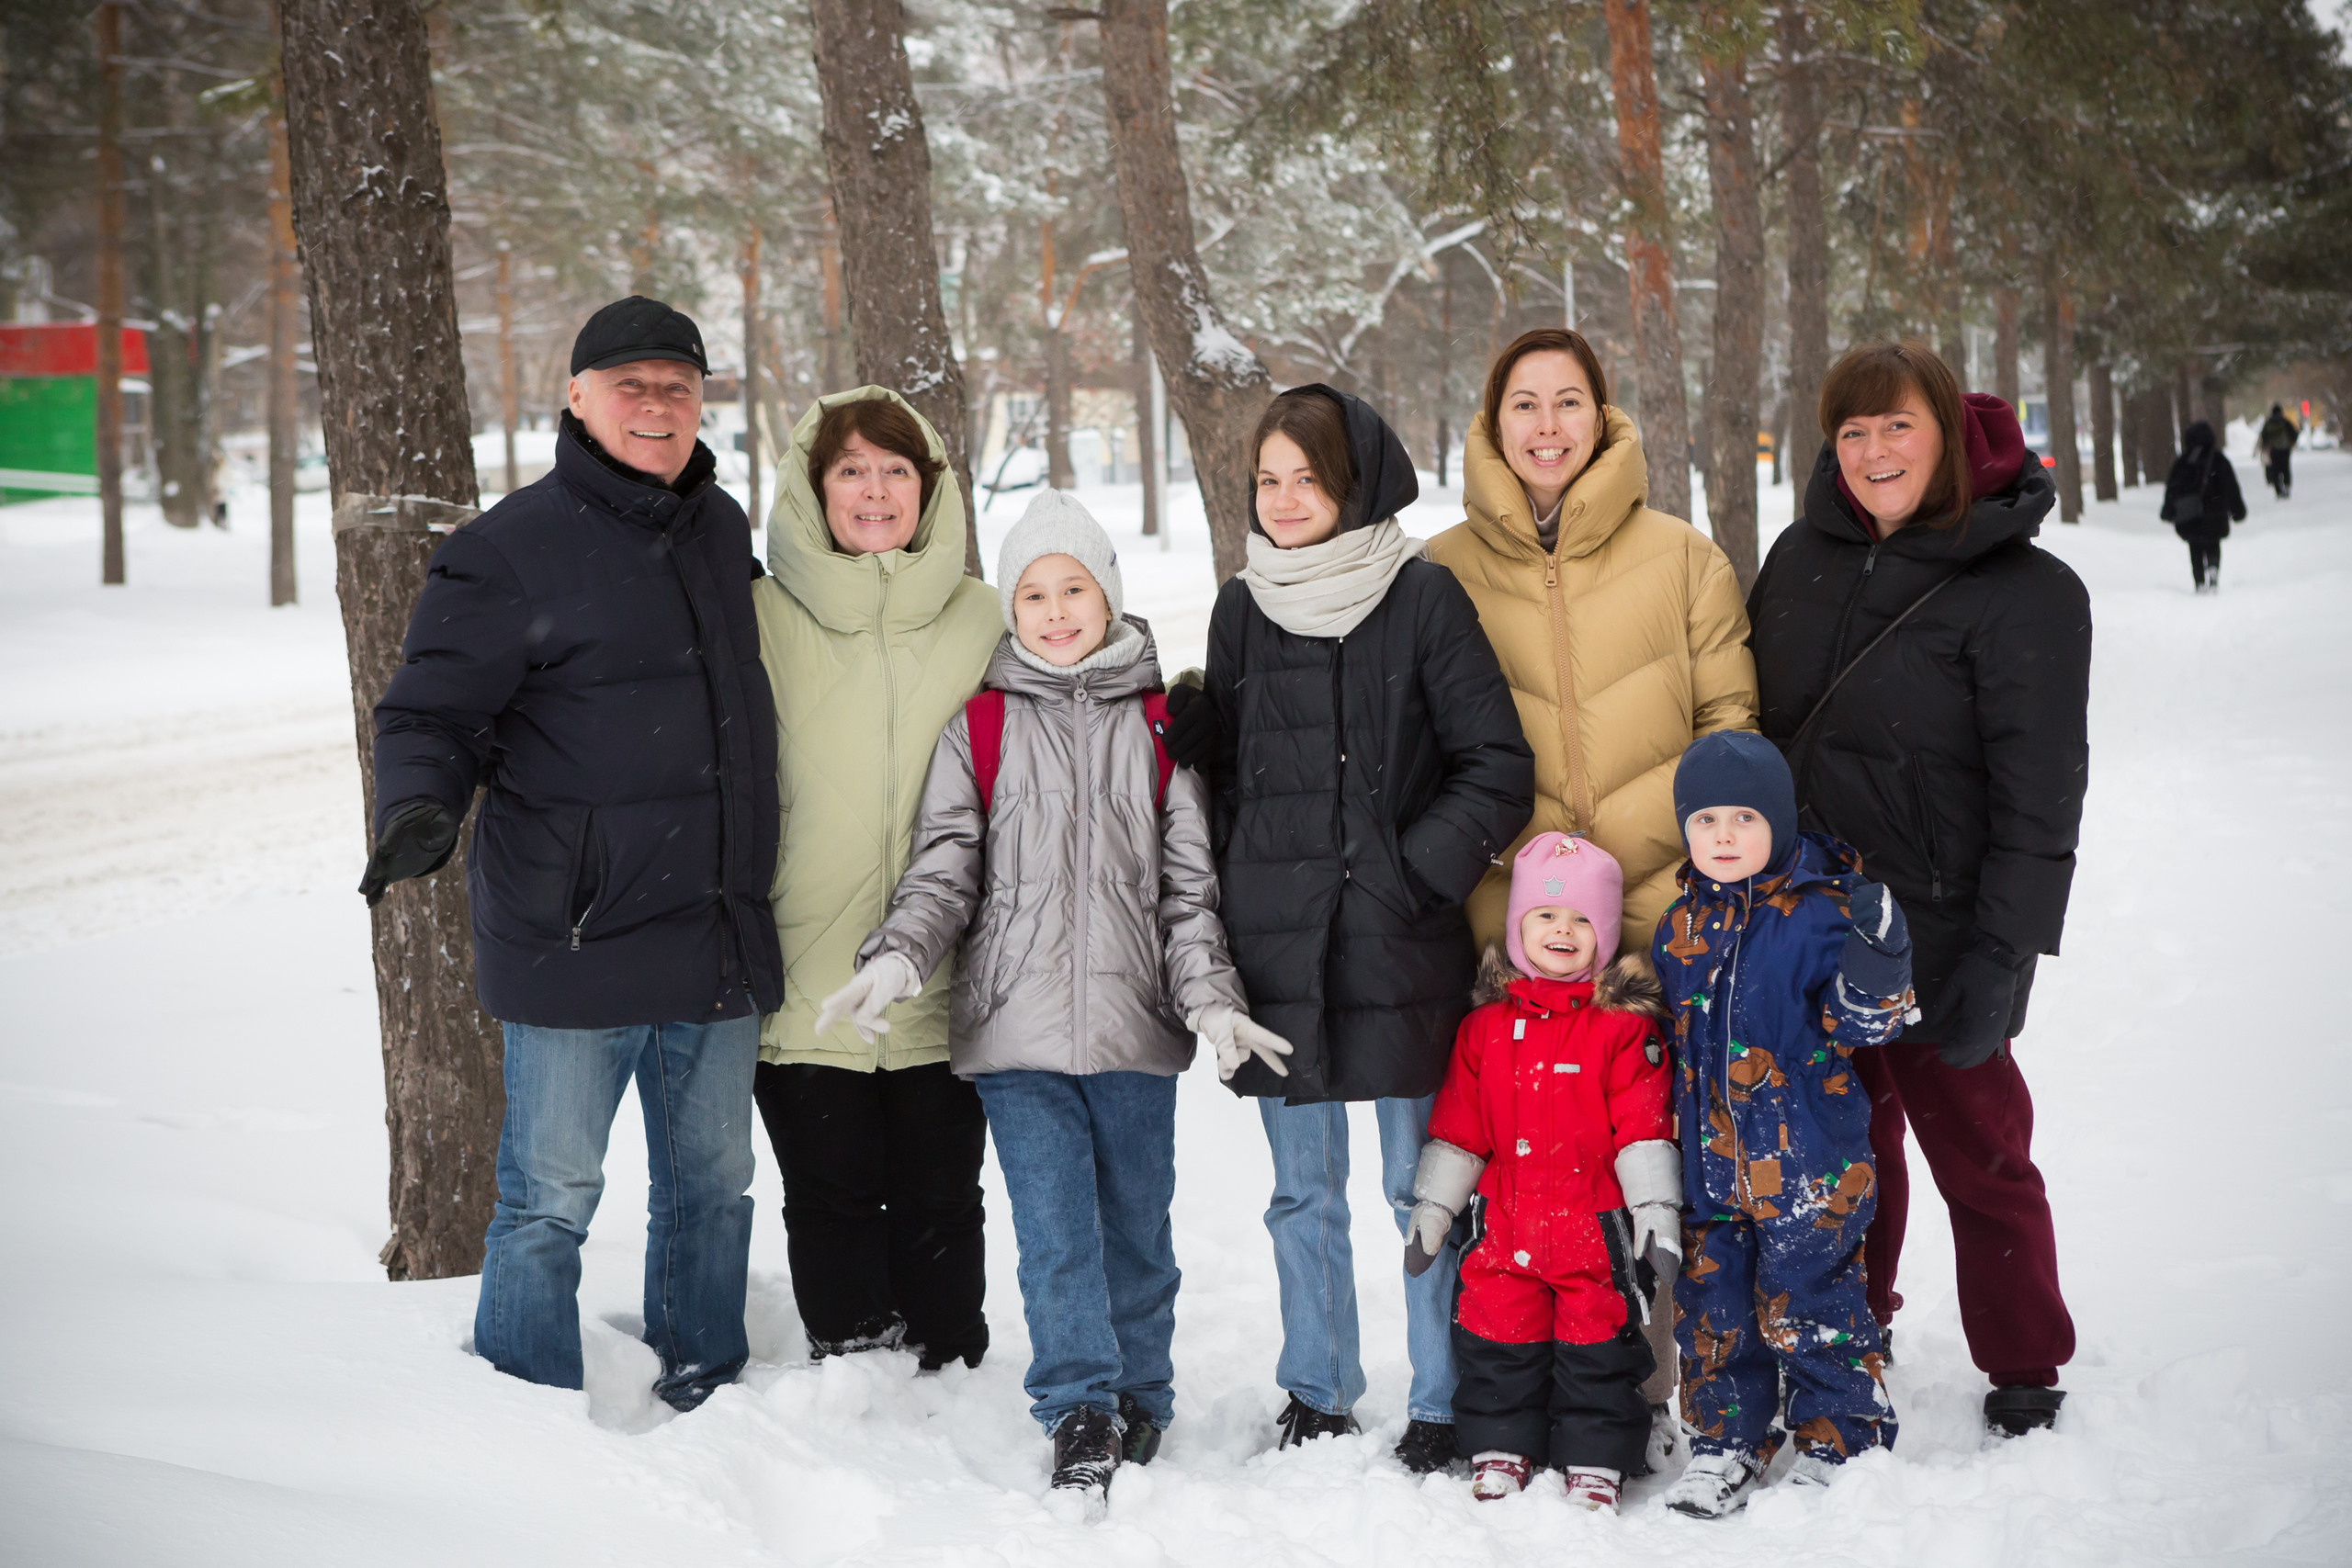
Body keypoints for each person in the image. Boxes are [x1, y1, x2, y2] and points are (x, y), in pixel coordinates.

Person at [819, 492, 1290, 1515]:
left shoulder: (1161, 727)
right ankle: (1077, 1405)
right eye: (1033, 591)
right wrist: (899, 958)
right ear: (1012, 608)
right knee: (1055, 1230)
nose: (1054, 609)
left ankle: (1141, 1390)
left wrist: (1211, 1003)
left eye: (1074, 587)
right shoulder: (981, 727)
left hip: (1133, 1034)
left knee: (1135, 1229)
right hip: (1015, 1036)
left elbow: (1187, 892)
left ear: (1108, 595)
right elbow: (944, 869)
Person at [361, 296, 784, 1409]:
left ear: (703, 403)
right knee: (550, 1193)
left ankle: (706, 1380)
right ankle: (526, 1407)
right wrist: (418, 807)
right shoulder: (506, 551)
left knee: (718, 1184)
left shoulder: (722, 526)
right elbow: (428, 716)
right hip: (574, 928)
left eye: (678, 386)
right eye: (631, 385)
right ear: (577, 396)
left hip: (713, 919)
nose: (657, 405)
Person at [1158, 385, 1533, 1472]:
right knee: (1299, 1193)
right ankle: (1318, 1389)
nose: (1283, 500)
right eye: (1266, 480)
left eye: (1305, 479)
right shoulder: (1241, 606)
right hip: (1280, 946)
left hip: (1401, 939)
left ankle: (1444, 1398)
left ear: (1354, 483)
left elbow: (1494, 765)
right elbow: (1239, 776)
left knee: (1424, 1187)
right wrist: (1201, 729)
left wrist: (1413, 873)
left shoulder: (1422, 599)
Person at [1422, 327, 1757, 1463]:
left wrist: (1670, 869)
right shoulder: (1441, 569)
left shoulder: (1682, 560)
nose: (1548, 425)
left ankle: (1670, 1393)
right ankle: (1526, 1407)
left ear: (1604, 418)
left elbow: (1728, 733)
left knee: (1662, 1165)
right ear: (1491, 422)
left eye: (1570, 401)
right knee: (1532, 1185)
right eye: (1524, 403)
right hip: (1513, 938)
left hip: (1658, 922)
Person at [1747, 340, 2090, 1440]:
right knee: (1845, 1152)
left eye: (1897, 426)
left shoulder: (2026, 592)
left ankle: (2024, 1358)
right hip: (1808, 927)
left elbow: (2043, 797)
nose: (1873, 451)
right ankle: (1858, 1326)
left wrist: (2007, 952)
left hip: (1944, 932)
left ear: (1946, 430)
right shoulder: (1798, 558)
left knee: (1980, 1157)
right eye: (1851, 431)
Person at [750, 388, 1002, 1370]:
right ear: (814, 490)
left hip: (950, 974)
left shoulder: (985, 614)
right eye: (849, 468)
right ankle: (851, 1381)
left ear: (930, 488)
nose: (874, 489)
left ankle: (950, 1375)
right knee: (830, 1196)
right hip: (806, 977)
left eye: (897, 469)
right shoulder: (761, 615)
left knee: (945, 1197)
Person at [1653, 731, 1915, 1517]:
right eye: (1705, 820)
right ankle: (1727, 1439)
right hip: (1710, 1163)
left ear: (1779, 821)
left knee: (1815, 1300)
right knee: (1716, 1306)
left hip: (1809, 1161)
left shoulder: (1825, 912)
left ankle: (1840, 1435)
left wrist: (1881, 957)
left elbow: (1867, 1026)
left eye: (1743, 817)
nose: (1724, 836)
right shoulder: (1677, 925)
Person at [1401, 833, 1678, 1515]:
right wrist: (1434, 1211)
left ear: (1605, 933)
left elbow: (1643, 1131)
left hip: (1595, 1230)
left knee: (1599, 1346)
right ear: (1519, 926)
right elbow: (1460, 1130)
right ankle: (1500, 1444)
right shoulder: (1484, 1028)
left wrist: (1655, 1216)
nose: (1563, 930)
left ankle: (1596, 1458)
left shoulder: (1621, 1028)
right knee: (1499, 1339)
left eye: (1582, 919)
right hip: (1507, 1224)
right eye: (1547, 916)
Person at [2163, 420, 2249, 593]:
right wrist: (2237, 509)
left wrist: (2169, 510)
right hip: (2215, 512)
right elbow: (2231, 486)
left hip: (2190, 514)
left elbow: (2173, 488)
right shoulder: (2219, 460)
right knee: (2213, 543)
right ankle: (2213, 569)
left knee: (2195, 547)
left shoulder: (2183, 462)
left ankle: (2199, 580)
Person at [2256, 402, 2299, 498]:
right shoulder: (2285, 421)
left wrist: (2265, 446)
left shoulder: (2269, 422)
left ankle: (2278, 490)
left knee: (2276, 470)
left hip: (2273, 450)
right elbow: (2294, 433)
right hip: (2285, 449)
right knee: (2285, 468)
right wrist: (2292, 442)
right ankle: (2287, 486)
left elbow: (2264, 436)